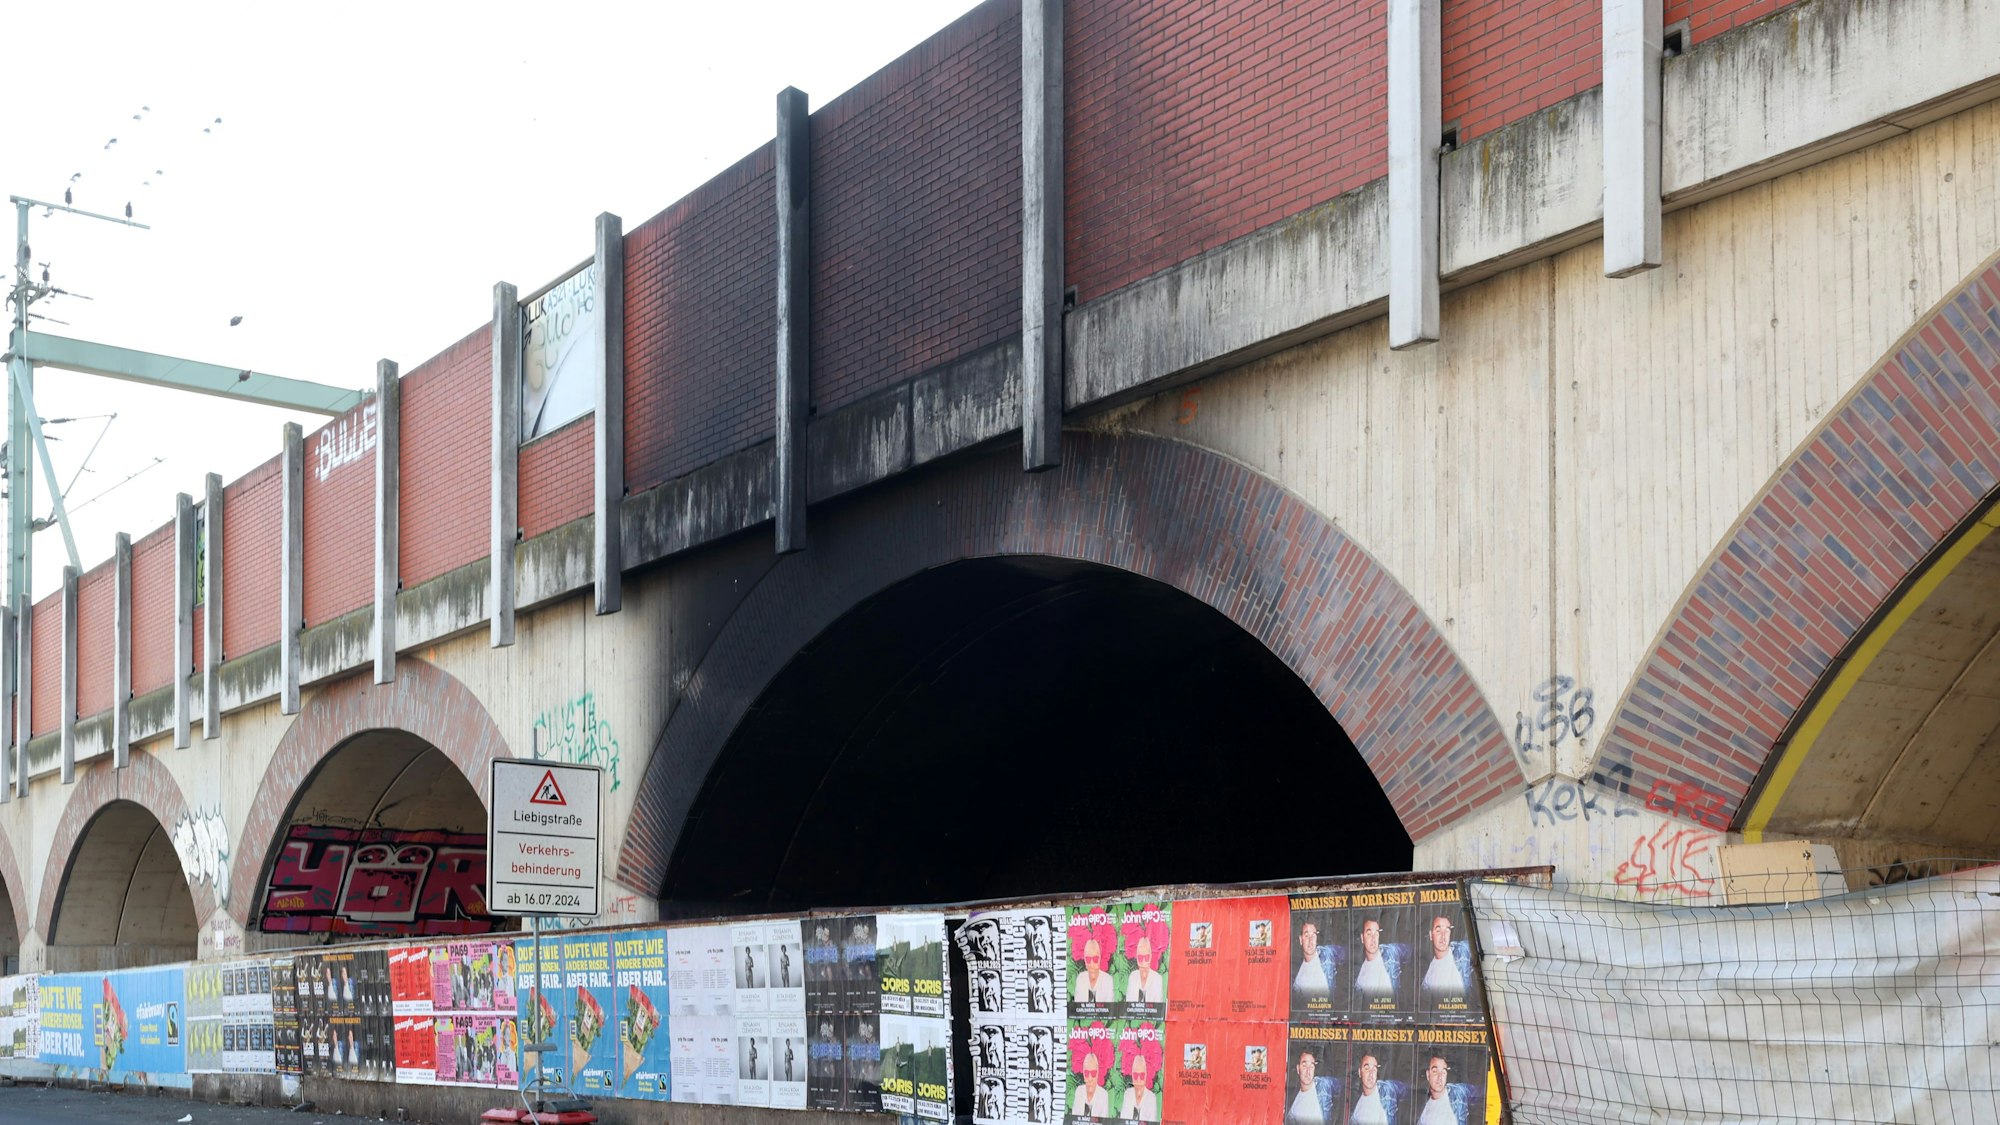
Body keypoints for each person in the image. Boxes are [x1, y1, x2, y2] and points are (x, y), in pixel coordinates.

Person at [1421, 916, 1465, 1000]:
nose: (1443, 937)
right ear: (1431, 935)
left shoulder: (1458, 960)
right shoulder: (1431, 965)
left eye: (1447, 931)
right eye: (1438, 931)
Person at [1352, 920, 1393, 1004]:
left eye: (1376, 934)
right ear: (1362, 938)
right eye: (1369, 934)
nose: (1373, 939)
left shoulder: (1387, 965)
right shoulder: (1364, 964)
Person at [1294, 923, 1335, 1000]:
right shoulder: (1297, 972)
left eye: (1313, 936)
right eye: (1306, 936)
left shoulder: (1326, 959)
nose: (1310, 941)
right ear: (1300, 940)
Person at [1287, 1050, 1328, 1124]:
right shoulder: (1293, 1099)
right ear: (1298, 1069)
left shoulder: (1322, 1090)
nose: (1308, 1071)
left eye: (1311, 1067)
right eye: (1304, 1066)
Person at [1417, 1053, 1460, 1125]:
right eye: (1435, 1071)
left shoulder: (1457, 1096)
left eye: (1443, 1072)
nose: (1439, 1077)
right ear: (1428, 1075)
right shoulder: (1424, 1108)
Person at [1349, 1054, 1389, 1125]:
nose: (1371, 1074)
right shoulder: (1357, 1102)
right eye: (1367, 1069)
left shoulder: (1385, 1096)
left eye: (1374, 1069)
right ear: (1359, 1072)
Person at [1125, 935, 1165, 1004]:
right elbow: (1129, 1003)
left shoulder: (1157, 979)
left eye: (1146, 957)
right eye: (1140, 958)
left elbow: (1158, 1007)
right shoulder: (1133, 976)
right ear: (1137, 959)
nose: (1143, 962)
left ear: (1151, 957)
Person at [1121, 1051, 1158, 1121]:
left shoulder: (1152, 1098)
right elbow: (1123, 1119)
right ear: (1132, 1075)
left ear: (1146, 1075)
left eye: (1141, 1075)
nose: (1138, 1079)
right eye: (1135, 1075)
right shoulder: (1127, 1094)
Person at [1075, 939, 1115, 1003]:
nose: (1092, 963)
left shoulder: (1108, 980)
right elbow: (1078, 1006)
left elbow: (1109, 1008)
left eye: (1095, 959)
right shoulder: (1081, 979)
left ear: (1099, 959)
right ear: (1085, 960)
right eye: (1088, 959)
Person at [1072, 1050, 1110, 1118]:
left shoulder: (1103, 1095)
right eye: (1086, 1073)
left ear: (1097, 1073)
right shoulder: (1079, 1091)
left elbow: (1104, 1121)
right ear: (1083, 1074)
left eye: (1093, 1073)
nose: (1090, 1078)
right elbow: (1074, 1118)